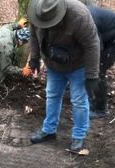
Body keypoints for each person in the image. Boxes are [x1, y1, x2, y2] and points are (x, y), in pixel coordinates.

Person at [27, 0, 100, 151]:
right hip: (53, 62)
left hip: (78, 64)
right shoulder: (37, 12)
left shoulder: (78, 15)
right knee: (52, 95)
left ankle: (79, 136)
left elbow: (92, 44)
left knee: (79, 100)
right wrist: (34, 59)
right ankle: (49, 130)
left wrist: (92, 75)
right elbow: (33, 35)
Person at [87, 6, 115, 119]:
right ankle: (91, 99)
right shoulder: (79, 16)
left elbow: (97, 47)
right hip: (105, 35)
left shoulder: (88, 20)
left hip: (111, 41)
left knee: (98, 70)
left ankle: (101, 108)